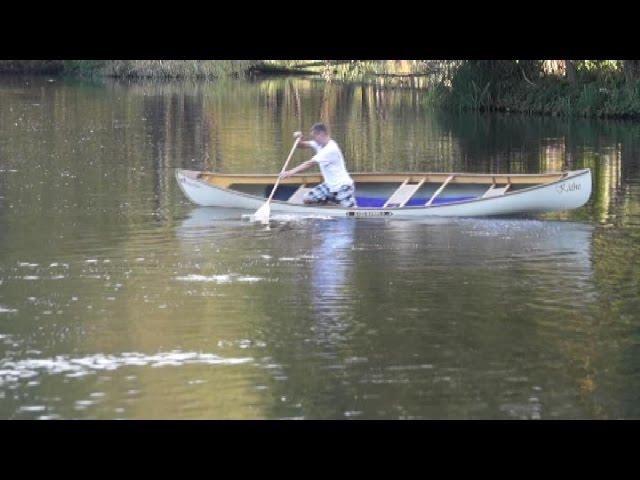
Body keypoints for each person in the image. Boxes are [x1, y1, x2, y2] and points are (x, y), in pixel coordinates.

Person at [280, 123, 357, 208]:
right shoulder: (319, 144)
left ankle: (339, 206)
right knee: (308, 199)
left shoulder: (331, 149)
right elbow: (301, 145)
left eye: (314, 137)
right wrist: (298, 138)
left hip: (343, 186)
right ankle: (333, 206)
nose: (314, 140)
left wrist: (290, 172)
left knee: (350, 212)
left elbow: (310, 163)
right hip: (329, 185)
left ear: (322, 134)